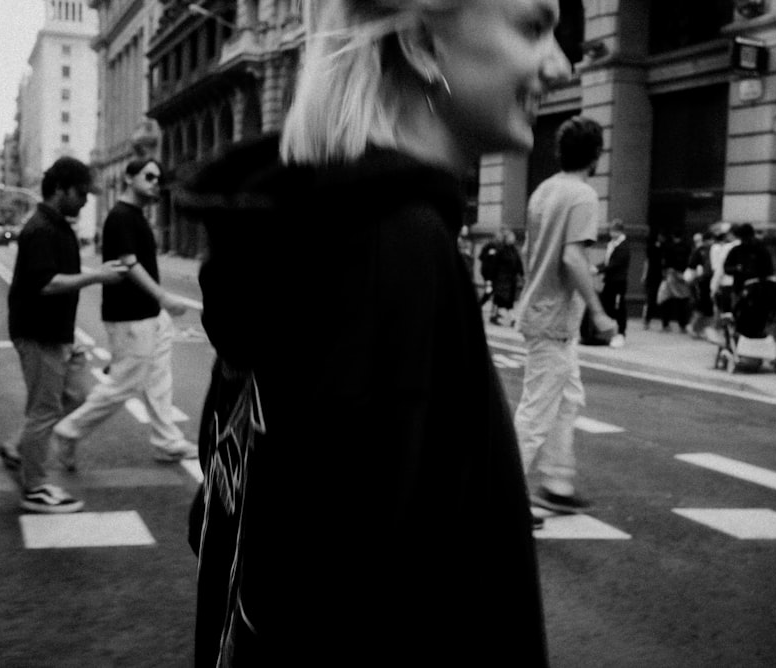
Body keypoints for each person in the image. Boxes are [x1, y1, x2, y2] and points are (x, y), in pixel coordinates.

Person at [182, 1, 571, 664]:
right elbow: (364, 597)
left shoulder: (305, 233)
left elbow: (237, 516)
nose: (560, 66)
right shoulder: (396, 249)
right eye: (532, 27)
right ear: (421, 44)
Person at [51, 159, 198, 468]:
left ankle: (167, 442)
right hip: (129, 315)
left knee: (159, 379)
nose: (155, 182)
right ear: (130, 178)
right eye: (148, 176)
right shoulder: (120, 217)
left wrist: (160, 306)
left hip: (149, 313)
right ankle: (68, 430)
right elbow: (129, 263)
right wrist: (164, 297)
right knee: (124, 384)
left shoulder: (135, 216)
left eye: (158, 177)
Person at [4, 157, 128, 512]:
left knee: (77, 395)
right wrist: (98, 276)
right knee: (44, 410)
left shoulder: (57, 225)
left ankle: (17, 450)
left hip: (58, 332)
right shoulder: (41, 228)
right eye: (81, 193)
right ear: (60, 190)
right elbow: (46, 284)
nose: (86, 200)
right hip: (38, 332)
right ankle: (35, 487)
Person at [514, 115, 616, 518]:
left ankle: (557, 483)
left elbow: (529, 251)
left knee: (567, 400)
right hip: (554, 320)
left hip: (545, 313)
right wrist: (599, 311)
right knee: (536, 413)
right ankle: (502, 498)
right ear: (596, 155)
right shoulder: (583, 195)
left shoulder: (544, 190)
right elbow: (573, 257)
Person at [598, 219, 630, 347]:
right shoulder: (612, 244)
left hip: (619, 282)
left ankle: (621, 333)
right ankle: (609, 332)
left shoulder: (623, 246)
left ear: (619, 231)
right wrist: (598, 267)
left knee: (619, 307)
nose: (611, 233)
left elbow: (615, 264)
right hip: (610, 281)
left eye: (614, 231)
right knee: (607, 305)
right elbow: (607, 262)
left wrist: (599, 269)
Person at [489, 228, 524, 325]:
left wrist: (521, 274)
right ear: (506, 238)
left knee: (508, 300)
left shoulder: (514, 250)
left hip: (511, 279)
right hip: (502, 279)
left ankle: (503, 317)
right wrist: (492, 278)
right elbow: (495, 265)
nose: (513, 239)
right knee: (502, 299)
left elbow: (518, 263)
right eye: (511, 237)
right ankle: (506, 317)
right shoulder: (501, 250)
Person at [659, 229, 691, 332]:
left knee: (667, 299)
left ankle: (666, 324)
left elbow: (664, 262)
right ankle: (682, 325)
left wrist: (665, 273)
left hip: (671, 274)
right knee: (682, 300)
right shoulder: (687, 247)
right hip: (682, 275)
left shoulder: (669, 247)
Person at [686, 231, 714, 338]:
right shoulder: (701, 251)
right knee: (702, 306)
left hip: (706, 281)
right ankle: (693, 326)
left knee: (706, 308)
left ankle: (700, 329)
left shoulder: (709, 249)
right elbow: (692, 266)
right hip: (702, 281)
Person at [708, 222, 738, 318]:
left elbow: (719, 269)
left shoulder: (726, 248)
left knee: (726, 312)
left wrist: (713, 287)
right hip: (743, 286)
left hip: (727, 284)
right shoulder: (750, 246)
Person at [641, 230, 667, 330]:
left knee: (660, 298)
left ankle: (663, 322)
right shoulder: (653, 247)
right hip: (653, 275)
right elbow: (647, 261)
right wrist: (644, 274)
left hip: (658, 275)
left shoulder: (664, 248)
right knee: (651, 298)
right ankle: (648, 320)